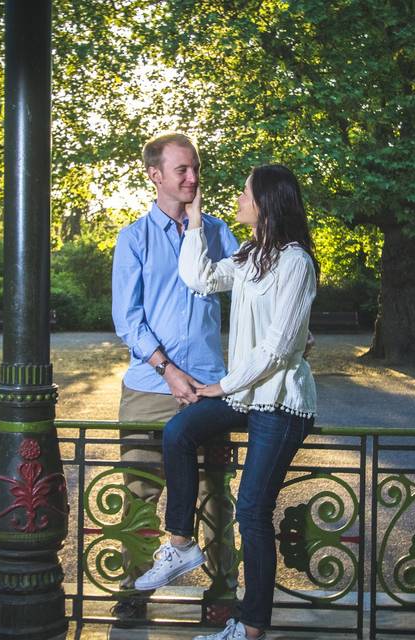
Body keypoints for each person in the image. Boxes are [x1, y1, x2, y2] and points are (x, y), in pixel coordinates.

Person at [133, 164, 318, 640]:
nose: (237, 199)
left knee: (252, 511)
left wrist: (222, 385)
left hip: (279, 402)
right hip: (247, 395)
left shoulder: (296, 261)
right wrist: (194, 219)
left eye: (245, 192)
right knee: (180, 430)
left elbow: (278, 349)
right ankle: (180, 542)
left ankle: (251, 626)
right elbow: (198, 278)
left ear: (266, 203)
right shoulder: (252, 256)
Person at [110, 131, 240, 625]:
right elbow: (129, 319)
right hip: (149, 388)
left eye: (195, 168)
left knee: (215, 495)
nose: (192, 177)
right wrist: (168, 370)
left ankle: (223, 592)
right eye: (181, 170)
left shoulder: (217, 232)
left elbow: (251, 285)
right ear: (155, 175)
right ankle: (132, 593)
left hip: (209, 388)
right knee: (140, 495)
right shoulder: (133, 238)